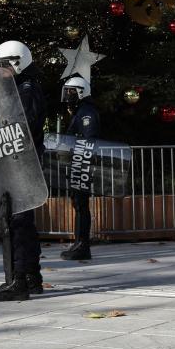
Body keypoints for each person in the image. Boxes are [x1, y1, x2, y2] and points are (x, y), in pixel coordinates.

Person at [0, 40, 46, 301]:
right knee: (24, 222)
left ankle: (18, 280)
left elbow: (25, 124)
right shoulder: (20, 87)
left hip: (22, 161)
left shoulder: (26, 89)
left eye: (3, 65)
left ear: (17, 63)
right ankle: (32, 277)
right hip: (19, 161)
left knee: (18, 222)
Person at [60, 75, 100, 261]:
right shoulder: (80, 110)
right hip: (78, 163)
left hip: (82, 163)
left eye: (71, 91)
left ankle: (82, 245)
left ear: (81, 92)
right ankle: (79, 243)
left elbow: (87, 139)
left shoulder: (87, 113)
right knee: (78, 204)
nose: (68, 95)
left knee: (81, 205)